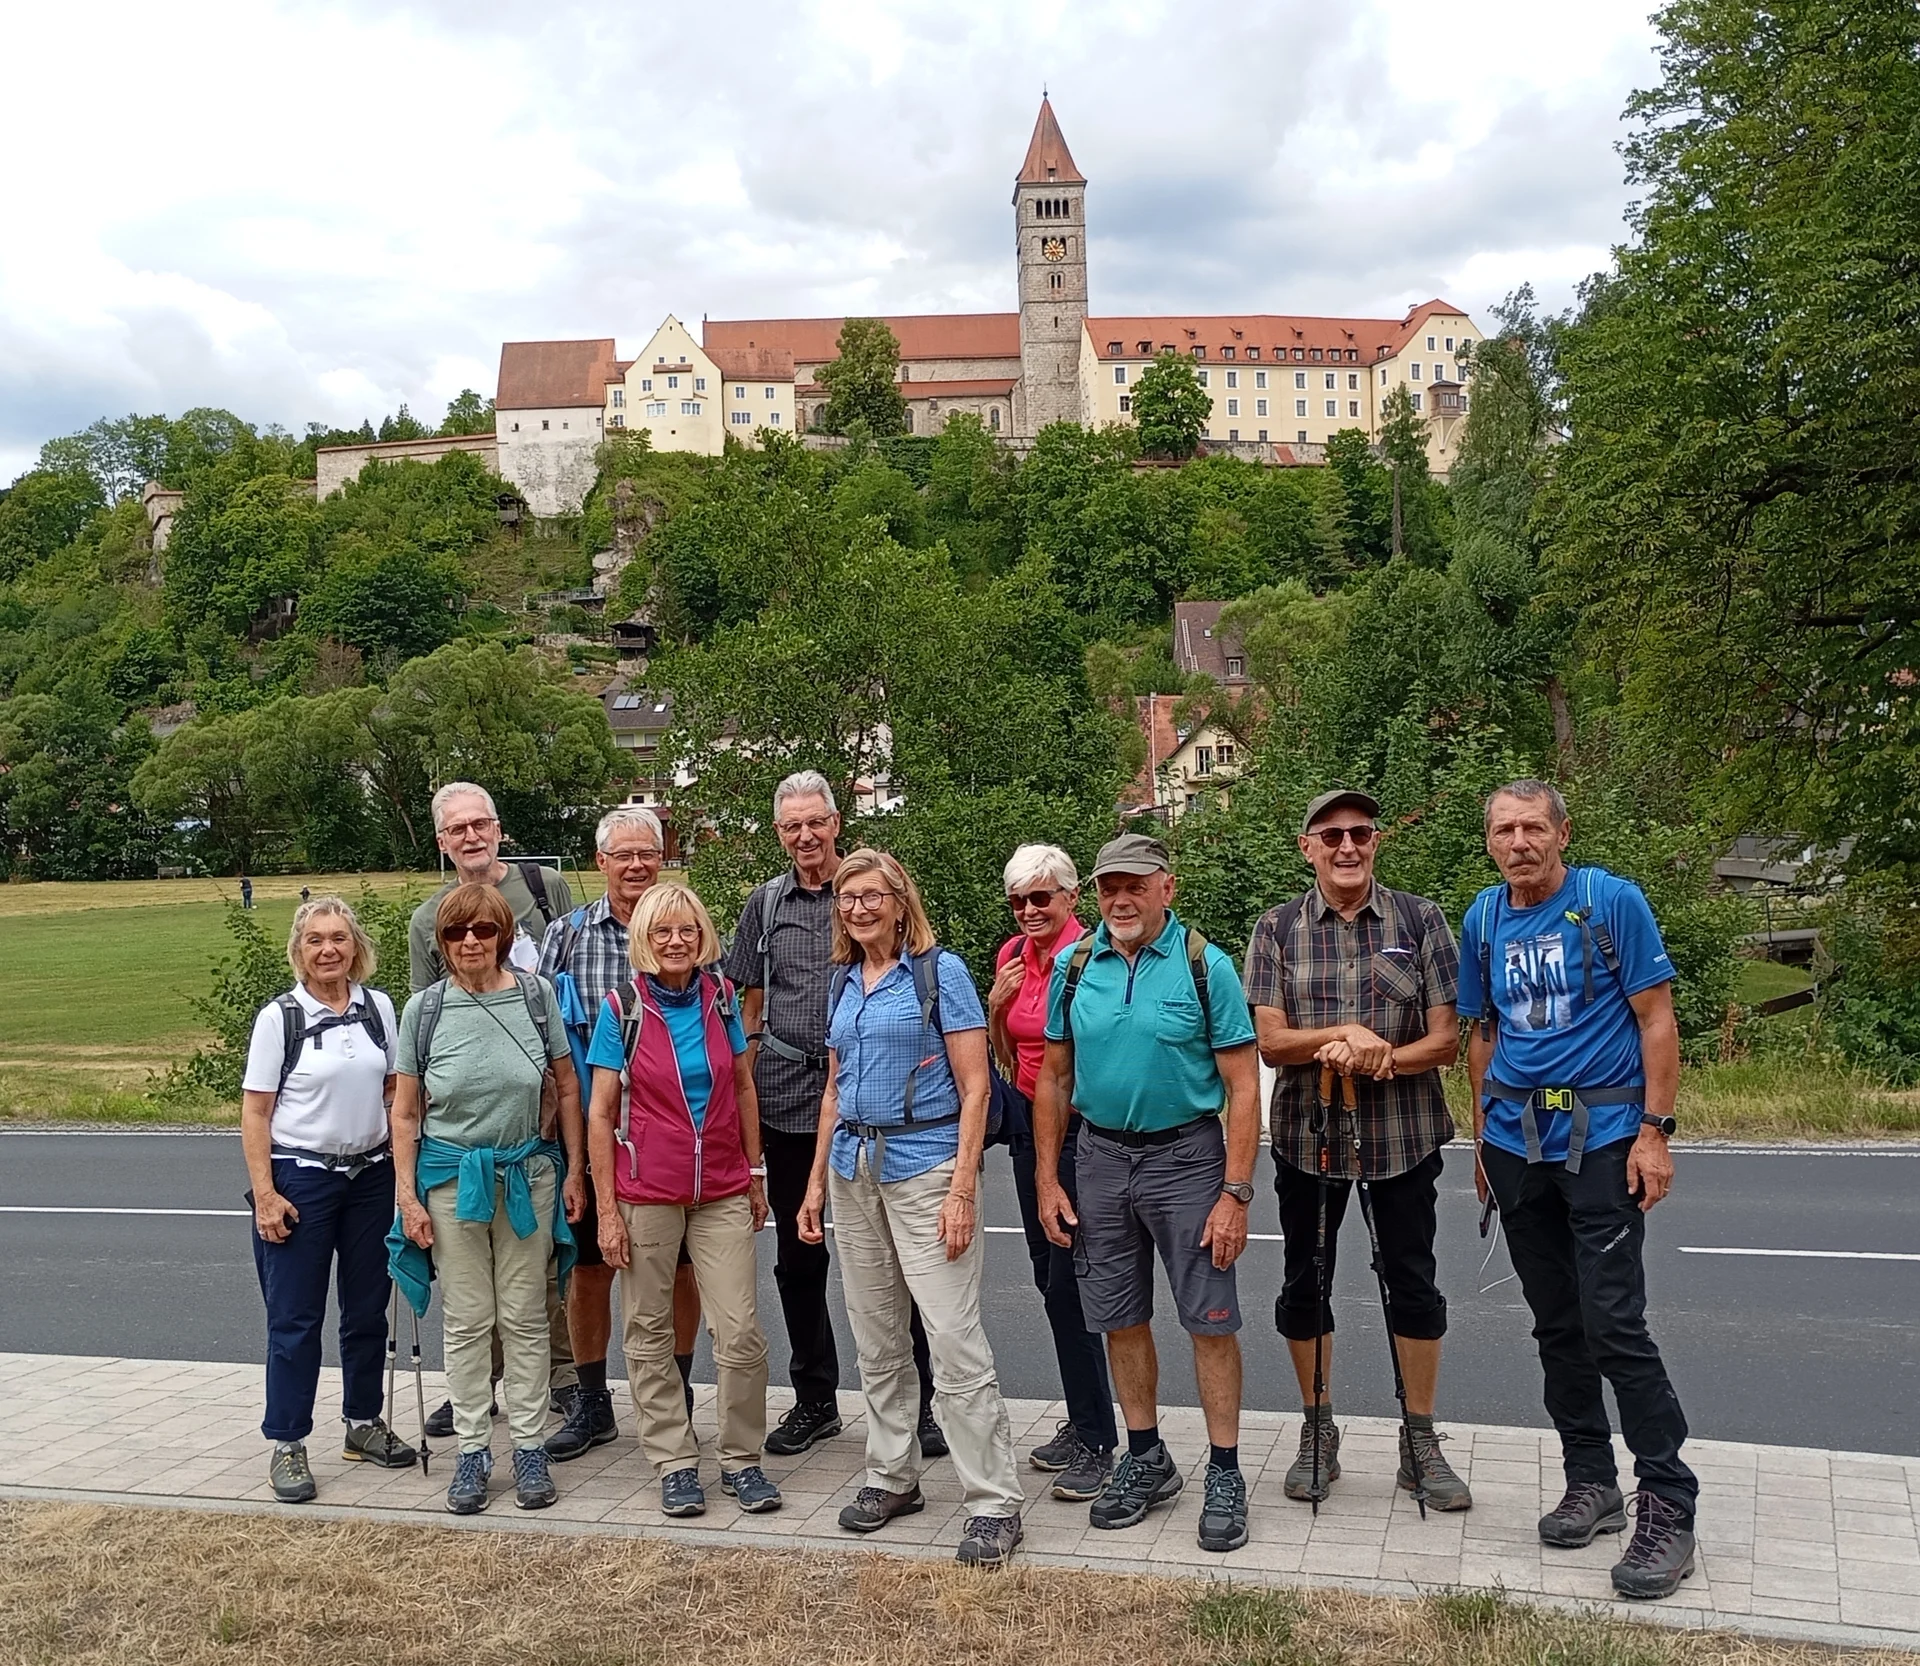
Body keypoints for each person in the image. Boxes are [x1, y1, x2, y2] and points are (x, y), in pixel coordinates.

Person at [1461, 779, 1695, 1601]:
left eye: (1533, 827)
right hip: (1514, 1142)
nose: (1518, 842)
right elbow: (1484, 1032)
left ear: (1562, 833)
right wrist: (1480, 1140)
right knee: (1557, 1323)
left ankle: (1667, 1501)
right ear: (1489, 841)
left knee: (1613, 1322)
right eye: (1504, 830)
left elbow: (1656, 1018)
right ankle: (1591, 1479)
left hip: (1604, 1136)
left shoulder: (1610, 902)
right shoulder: (1484, 918)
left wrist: (1654, 1132)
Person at [1032, 833, 1260, 1554]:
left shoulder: (1204, 965)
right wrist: (1047, 1178)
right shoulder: (1075, 966)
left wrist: (1236, 1193)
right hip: (1099, 1159)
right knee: (1119, 1317)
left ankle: (1224, 1470)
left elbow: (1243, 1086)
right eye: (1109, 888)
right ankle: (1146, 1455)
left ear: (1168, 886)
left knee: (1210, 1319)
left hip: (1188, 1158)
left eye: (1136, 885)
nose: (1121, 900)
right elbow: (1054, 1079)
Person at [797, 848, 1024, 1569]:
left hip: (926, 1170)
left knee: (952, 1337)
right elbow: (833, 1091)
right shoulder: (843, 979)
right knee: (877, 1338)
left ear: (900, 903)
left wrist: (963, 1189)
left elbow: (976, 1087)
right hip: (853, 1171)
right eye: (847, 898)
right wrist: (813, 1185)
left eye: (872, 896)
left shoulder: (939, 972)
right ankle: (893, 1476)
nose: (858, 908)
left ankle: (994, 1501)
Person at [1243, 788, 1470, 1511]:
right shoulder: (1276, 927)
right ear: (1307, 847)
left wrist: (1380, 1058)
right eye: (1332, 834)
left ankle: (1420, 1438)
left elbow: (1445, 1041)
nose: (1348, 846)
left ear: (1376, 841)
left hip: (1403, 1136)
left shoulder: (1421, 919)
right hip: (1307, 1138)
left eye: (1361, 833)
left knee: (1414, 1284)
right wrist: (1344, 1033)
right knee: (1304, 1286)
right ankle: (1318, 1429)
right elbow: (1271, 1041)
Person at [725, 772, 945, 1461]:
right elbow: (748, 1003)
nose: (805, 835)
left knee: (897, 1265)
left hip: (872, 1101)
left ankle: (921, 1406)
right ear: (778, 832)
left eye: (815, 822)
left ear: (836, 822)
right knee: (799, 1262)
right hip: (790, 1101)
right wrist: (748, 1084)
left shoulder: (869, 891)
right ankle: (816, 1400)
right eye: (792, 825)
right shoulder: (765, 905)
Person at [389, 884, 585, 1516]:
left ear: (502, 934)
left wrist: (575, 1172)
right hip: (451, 1182)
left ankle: (528, 1445)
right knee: (469, 1320)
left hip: (529, 1176)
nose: (470, 941)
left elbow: (567, 1088)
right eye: (456, 932)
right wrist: (407, 1196)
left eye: (482, 929)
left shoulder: (536, 995)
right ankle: (473, 1449)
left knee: (526, 1316)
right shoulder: (424, 1010)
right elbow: (405, 1112)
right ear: (442, 943)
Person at [588, 883, 782, 1518]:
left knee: (741, 1331)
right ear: (644, 939)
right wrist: (608, 1210)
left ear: (703, 937)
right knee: (648, 1329)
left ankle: (741, 1459)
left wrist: (755, 1172)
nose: (677, 942)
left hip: (722, 1187)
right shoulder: (622, 1008)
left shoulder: (721, 998)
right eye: (663, 931)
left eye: (688, 930)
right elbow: (600, 1113)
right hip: (647, 1191)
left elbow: (744, 1087)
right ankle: (673, 1461)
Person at [407, 782, 576, 1434]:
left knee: (539, 1276)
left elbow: (569, 974)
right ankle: (478, 1389)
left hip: (541, 1100)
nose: (471, 836)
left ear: (498, 829)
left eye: (480, 824)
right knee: (474, 1292)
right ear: (442, 841)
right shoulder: (429, 920)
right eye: (458, 828)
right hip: (464, 1134)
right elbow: (431, 1021)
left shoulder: (543, 887)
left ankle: (564, 1381)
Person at [537, 806, 702, 1462]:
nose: (636, 866)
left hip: (675, 1136)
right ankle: (591, 1402)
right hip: (594, 1133)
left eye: (647, 854)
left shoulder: (685, 927)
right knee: (590, 1268)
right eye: (623, 855)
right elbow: (544, 1036)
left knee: (682, 1270)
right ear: (600, 861)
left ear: (662, 859)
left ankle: (678, 1396)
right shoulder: (568, 935)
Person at [241, 896, 415, 1504]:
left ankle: (362, 1423)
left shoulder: (379, 1009)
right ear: (299, 950)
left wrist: (404, 1175)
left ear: (355, 946)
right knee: (296, 1318)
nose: (329, 950)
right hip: (301, 1179)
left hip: (370, 1176)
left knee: (367, 1311)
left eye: (339, 938)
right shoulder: (280, 1018)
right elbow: (256, 1113)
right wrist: (266, 1195)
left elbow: (395, 1092)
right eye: (315, 940)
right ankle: (288, 1441)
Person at [984, 843, 1115, 1502]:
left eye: (1041, 897)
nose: (1029, 910)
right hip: (1029, 1130)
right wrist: (995, 1005)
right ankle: (1084, 1419)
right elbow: (1007, 1054)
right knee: (1048, 1281)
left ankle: (1098, 1438)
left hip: (1081, 1134)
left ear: (1071, 897)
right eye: (1018, 900)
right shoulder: (1012, 956)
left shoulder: (1091, 958)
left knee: (1073, 1284)